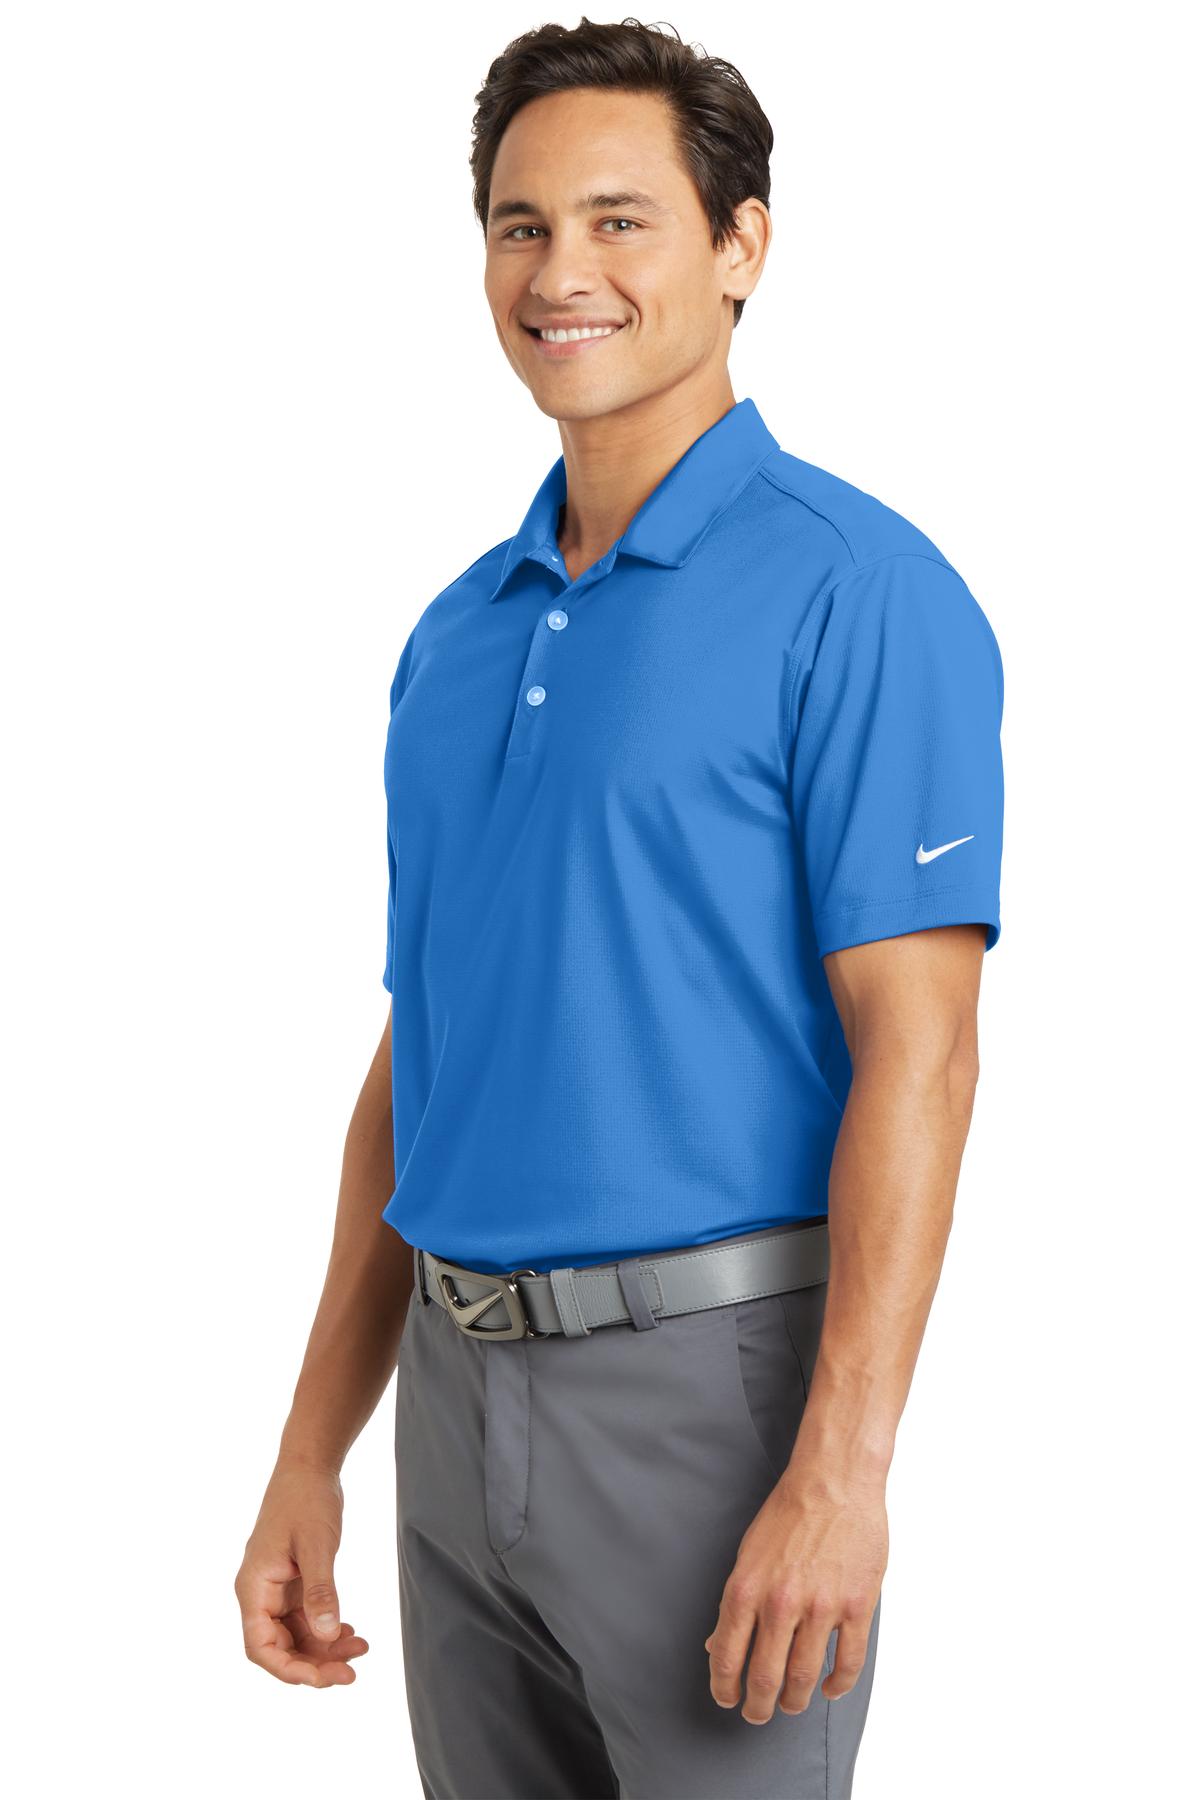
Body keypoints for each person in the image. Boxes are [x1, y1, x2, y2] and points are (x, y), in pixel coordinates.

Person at [235, 18, 1004, 1798]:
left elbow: (926, 1056)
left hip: (709, 1401)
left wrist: (842, 1473)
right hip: (449, 1392)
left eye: (619, 220)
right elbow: (427, 1055)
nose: (559, 271)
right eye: (520, 226)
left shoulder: (861, 593)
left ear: (741, 247)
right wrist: (311, 1446)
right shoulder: (458, 633)